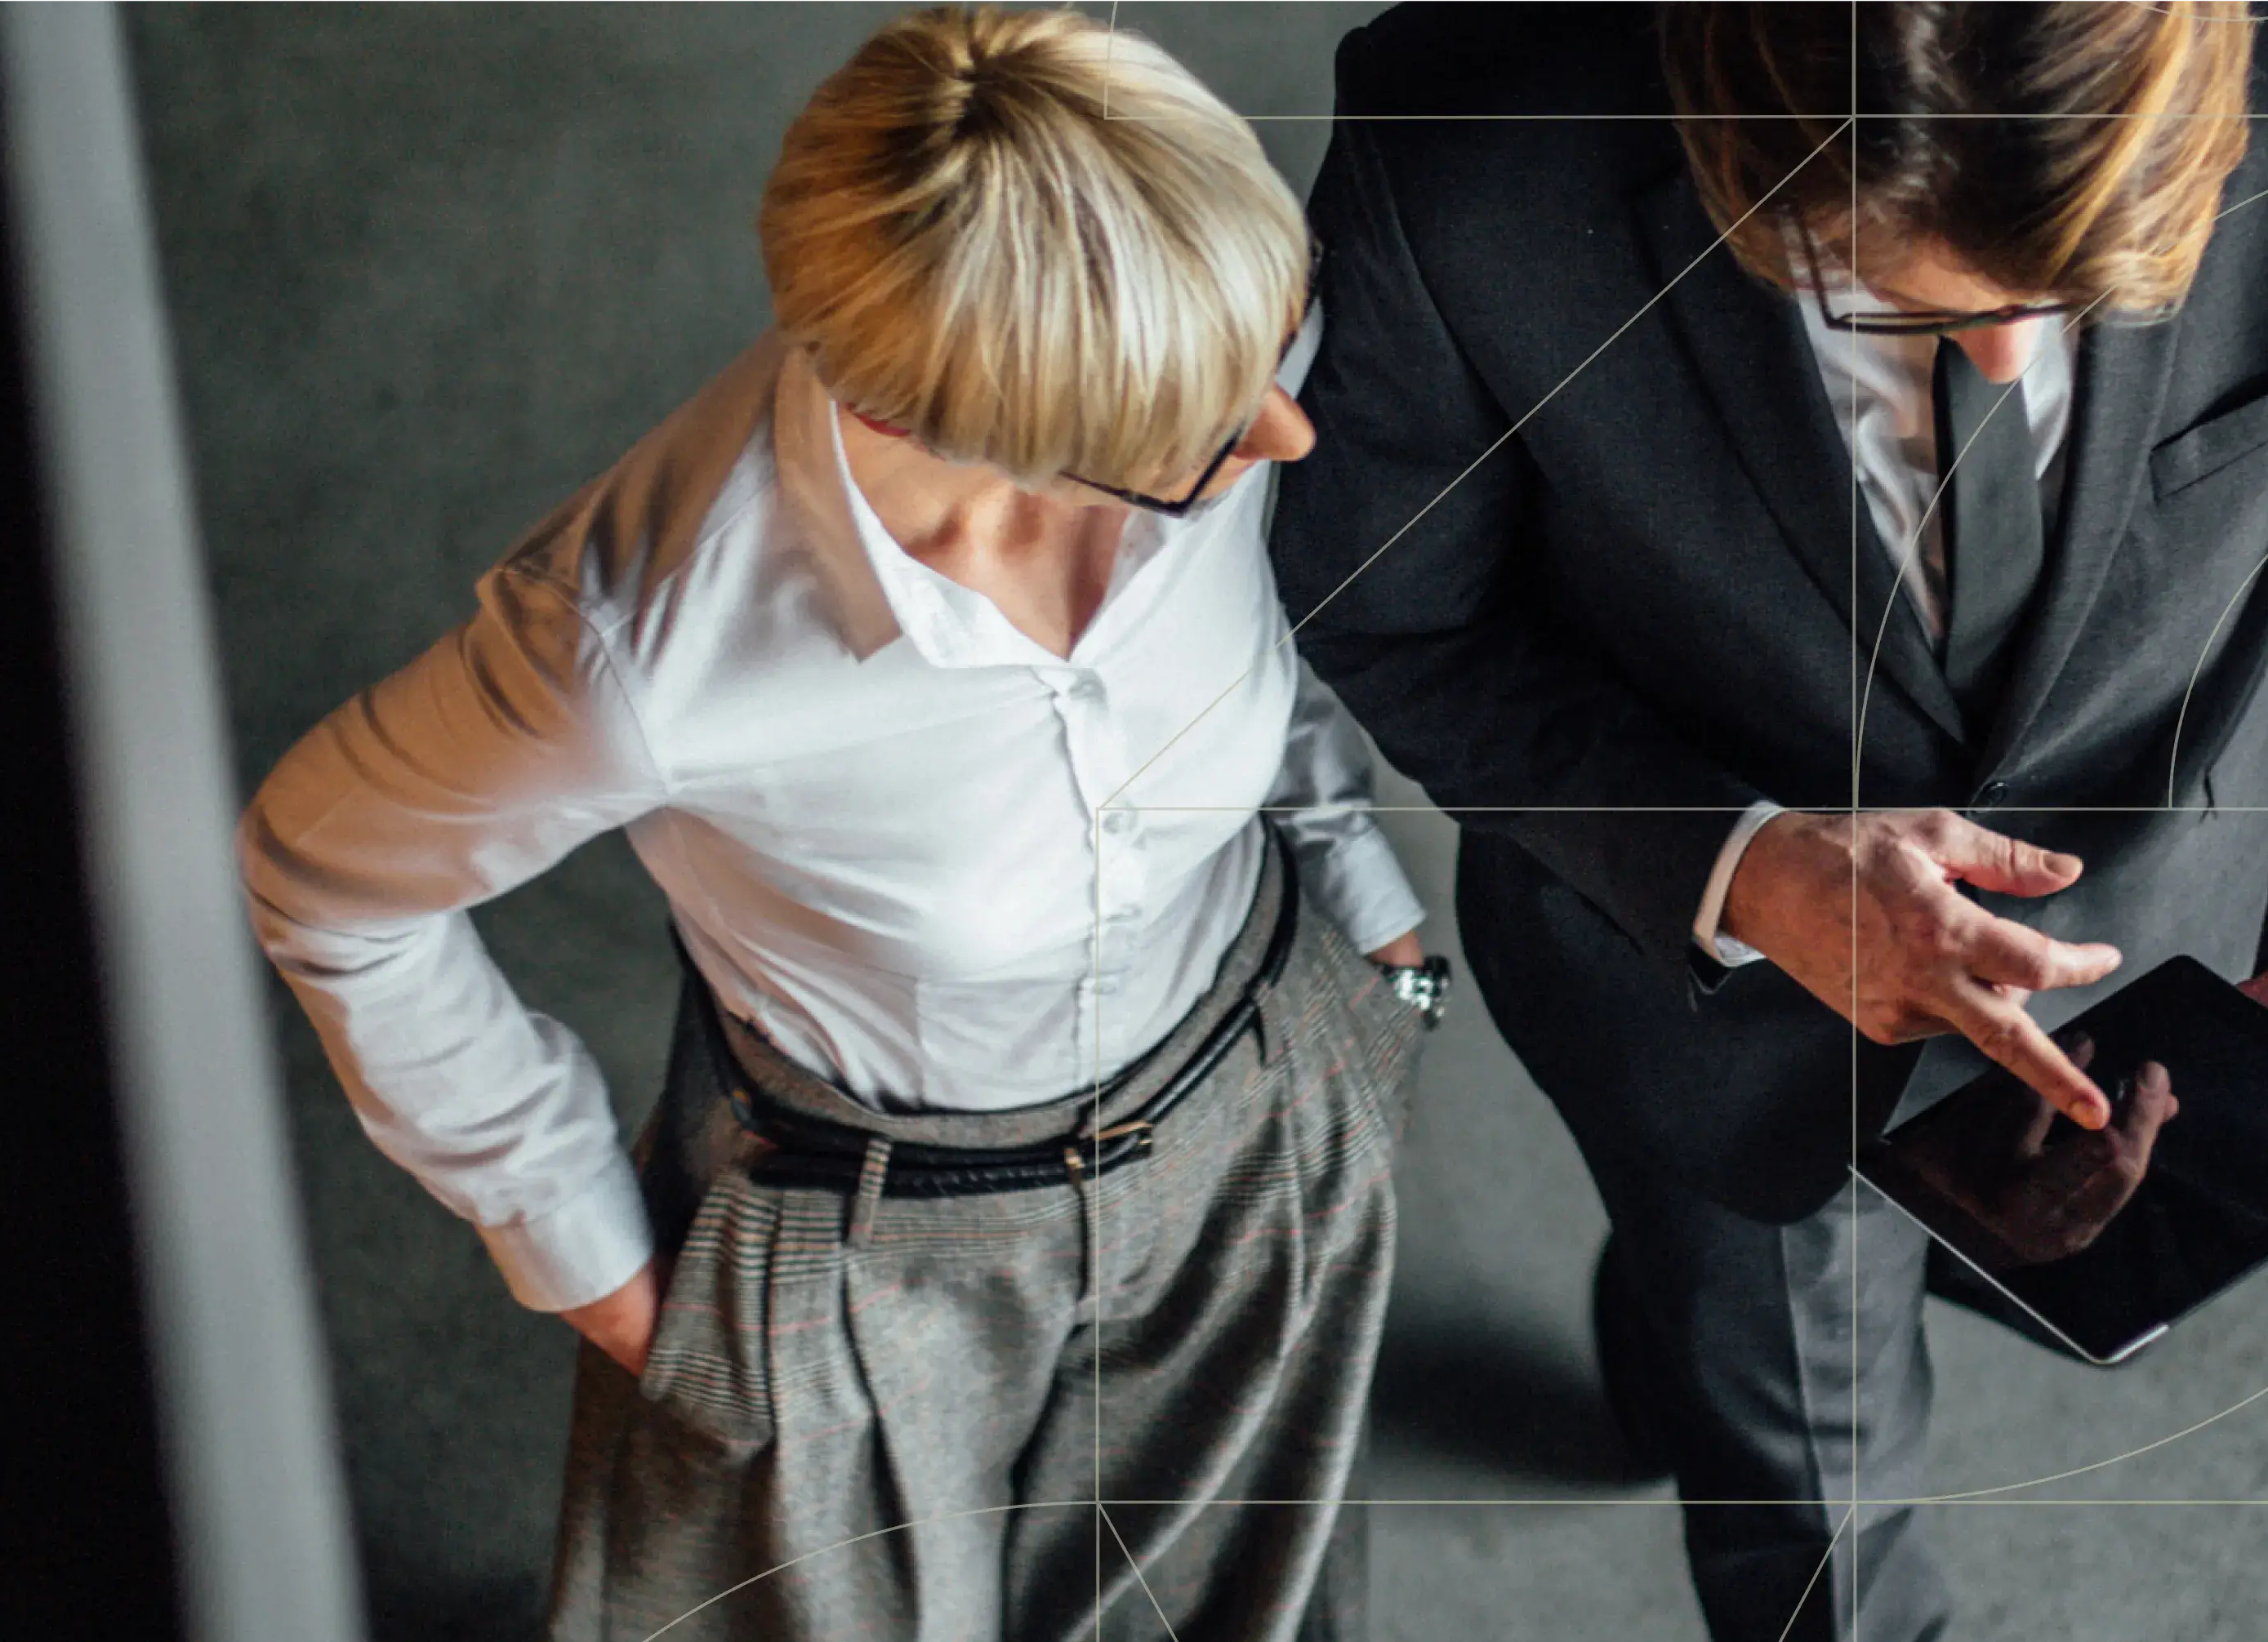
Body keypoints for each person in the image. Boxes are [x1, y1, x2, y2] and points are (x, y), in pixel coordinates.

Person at [1271, 0, 2268, 1637]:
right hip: (1716, 1009)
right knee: (1818, 1538)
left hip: (2154, 970)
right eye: (1901, 299)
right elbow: (1393, 609)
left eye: (2073, 297)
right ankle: (1692, 1297)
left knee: (1818, 1299)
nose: (2005, 362)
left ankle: (1668, 1321)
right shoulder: (1473, 139)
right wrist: (1738, 866)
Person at [238, 10, 1442, 1638]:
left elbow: (1258, 627)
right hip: (876, 1229)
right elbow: (327, 883)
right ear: (953, 433)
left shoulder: (1188, 357)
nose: (1285, 434)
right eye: (1210, 440)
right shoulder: (641, 648)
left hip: (1251, 1118)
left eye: (1273, 355)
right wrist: (575, 1237)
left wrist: (1353, 885)